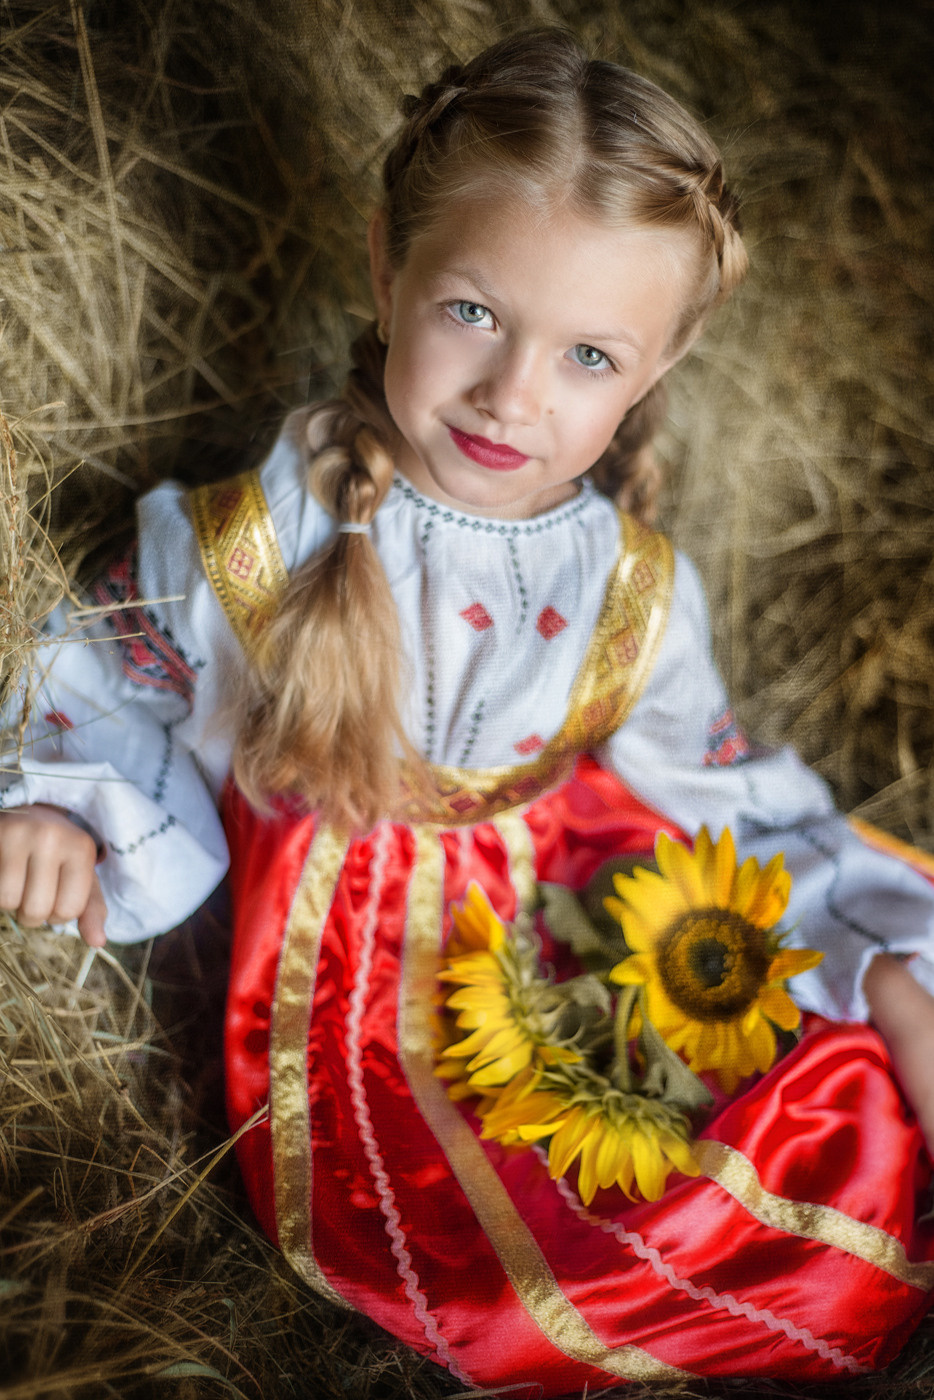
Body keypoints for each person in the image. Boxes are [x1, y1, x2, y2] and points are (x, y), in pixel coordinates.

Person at [2, 27, 933, 1394]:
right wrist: (62, 808)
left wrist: (883, 957)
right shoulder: (251, 537)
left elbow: (723, 794)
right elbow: (104, 674)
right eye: (475, 314)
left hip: (569, 898)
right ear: (387, 268)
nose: (512, 395)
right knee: (515, 1276)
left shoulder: (633, 589)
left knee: (833, 1123)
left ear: (659, 368)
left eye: (589, 356)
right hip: (360, 977)